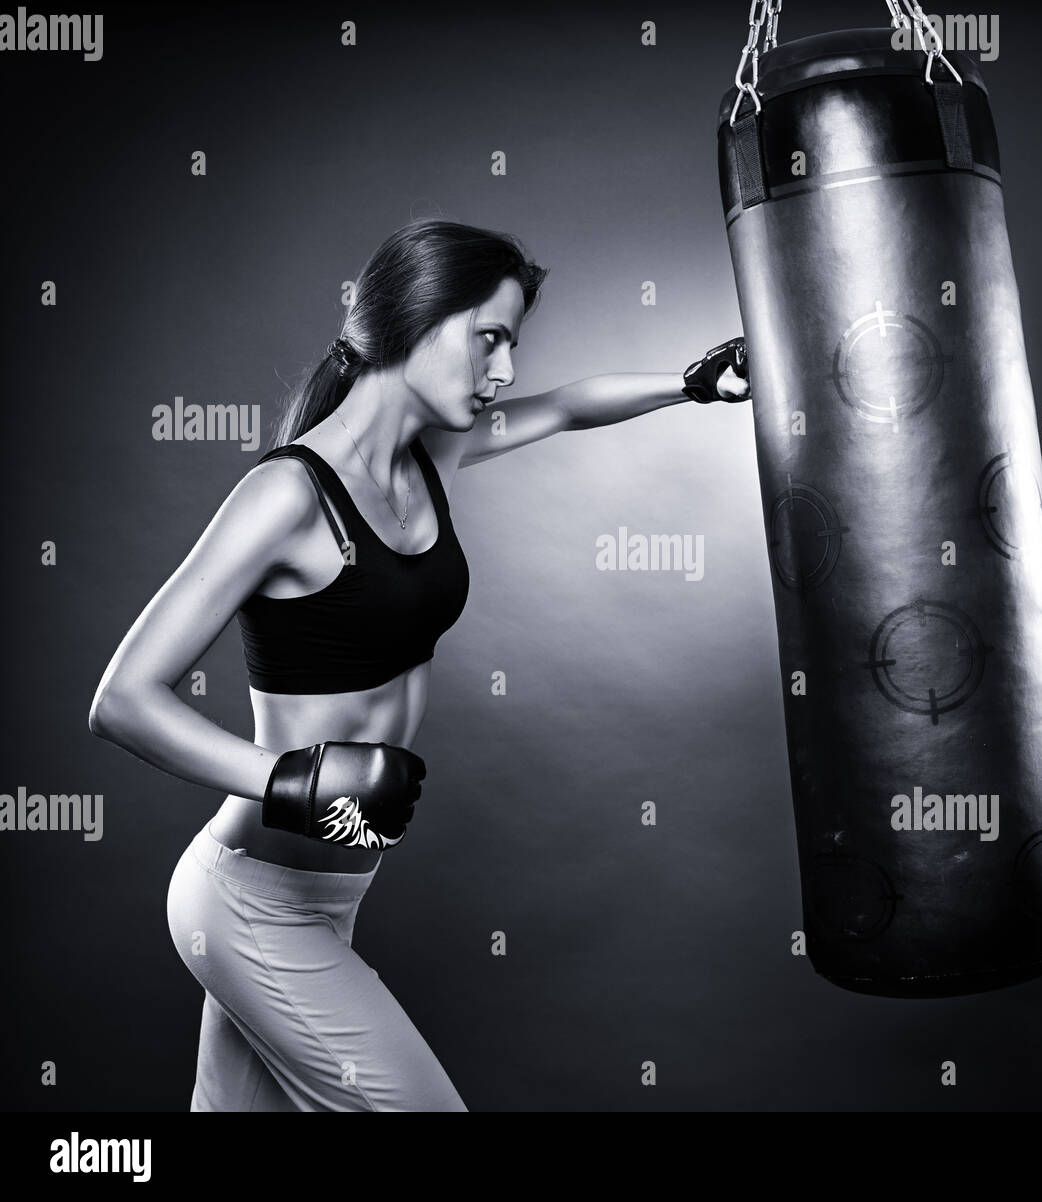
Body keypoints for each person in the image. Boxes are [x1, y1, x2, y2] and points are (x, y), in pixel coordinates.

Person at [87, 218, 750, 1112]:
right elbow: (122, 700)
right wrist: (296, 778)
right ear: (416, 317)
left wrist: (692, 384)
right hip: (250, 902)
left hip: (332, 894)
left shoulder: (425, 458)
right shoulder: (289, 495)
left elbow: (568, 404)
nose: (504, 371)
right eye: (488, 340)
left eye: (511, 345)